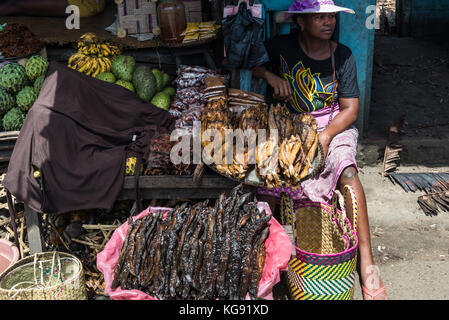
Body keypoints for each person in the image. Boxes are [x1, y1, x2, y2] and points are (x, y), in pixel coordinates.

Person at [252, 0, 388, 300]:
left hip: (333, 125)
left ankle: (366, 263)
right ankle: (265, 267)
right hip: (289, 126)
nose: (328, 22)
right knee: (268, 183)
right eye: (319, 17)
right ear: (301, 22)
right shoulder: (279, 46)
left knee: (348, 171)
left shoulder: (343, 56)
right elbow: (247, 61)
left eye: (330, 16)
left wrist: (325, 136)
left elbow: (350, 110)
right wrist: (270, 76)